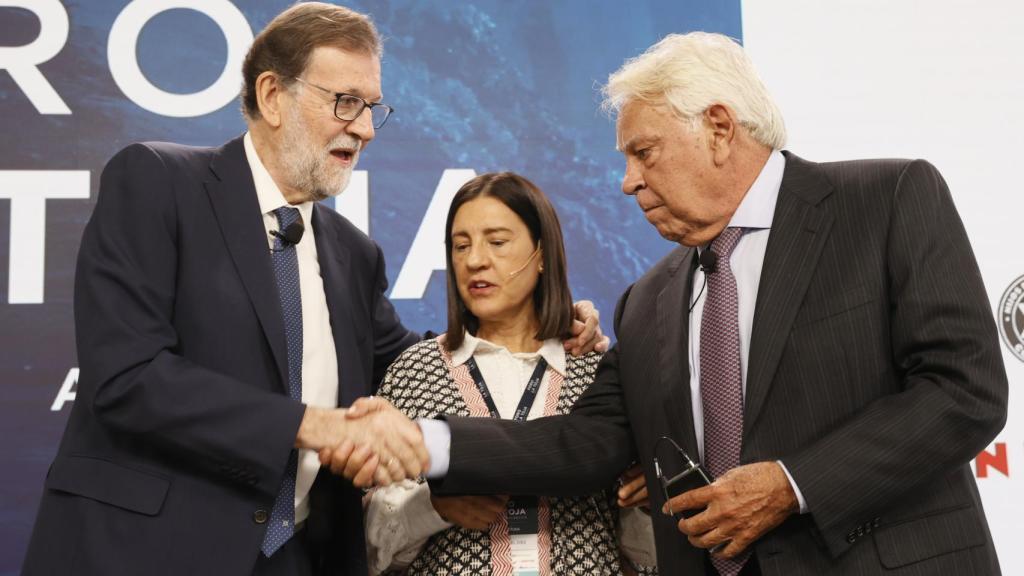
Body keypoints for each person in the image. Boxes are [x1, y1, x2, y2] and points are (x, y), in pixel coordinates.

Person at [344, 32, 1009, 574]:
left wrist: (791, 483)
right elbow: (583, 442)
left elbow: (964, 391)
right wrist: (423, 440)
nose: (628, 181)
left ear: (720, 128)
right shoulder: (647, 300)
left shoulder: (885, 201)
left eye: (644, 152)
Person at [21, 4, 604, 576]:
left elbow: (415, 365)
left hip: (299, 556)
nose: (366, 128)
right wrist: (313, 424)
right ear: (273, 95)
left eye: (373, 107)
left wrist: (540, 325)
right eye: (347, 102)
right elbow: (128, 377)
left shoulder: (352, 252)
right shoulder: (158, 182)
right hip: (142, 552)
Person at [360, 172, 658, 575]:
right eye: (460, 246)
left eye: (497, 242)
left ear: (541, 254)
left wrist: (646, 503)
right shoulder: (416, 370)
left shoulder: (596, 372)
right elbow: (366, 545)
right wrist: (432, 508)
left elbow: (648, 553)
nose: (475, 260)